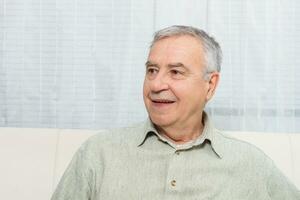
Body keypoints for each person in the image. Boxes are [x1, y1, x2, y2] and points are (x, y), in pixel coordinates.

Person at [51, 25, 300, 200]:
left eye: (176, 72)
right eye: (152, 70)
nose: (157, 84)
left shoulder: (250, 164)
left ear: (210, 85)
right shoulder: (98, 153)